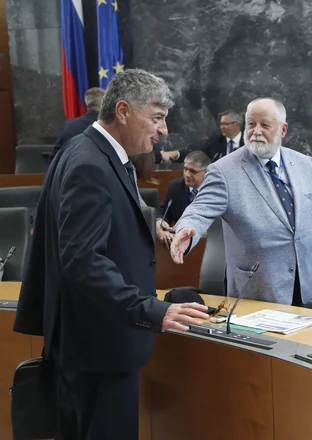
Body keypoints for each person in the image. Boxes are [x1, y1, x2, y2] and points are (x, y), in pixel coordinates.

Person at [13, 69, 209, 440]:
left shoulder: (84, 148)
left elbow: (84, 222)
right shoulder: (91, 164)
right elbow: (83, 260)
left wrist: (144, 222)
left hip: (84, 342)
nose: (164, 130)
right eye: (157, 117)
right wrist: (153, 310)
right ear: (123, 111)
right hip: (98, 347)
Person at [170, 97, 312, 305]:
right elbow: (199, 209)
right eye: (251, 124)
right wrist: (186, 229)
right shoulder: (224, 170)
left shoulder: (305, 164)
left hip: (300, 286)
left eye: (265, 125)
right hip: (254, 291)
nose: (256, 131)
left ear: (283, 130)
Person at [156, 150, 210, 249]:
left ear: (206, 173)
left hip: (208, 245)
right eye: (185, 169)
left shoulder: (214, 191)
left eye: (193, 171)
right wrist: (159, 221)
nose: (187, 175)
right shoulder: (175, 187)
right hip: (180, 246)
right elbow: (163, 212)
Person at [161, 109, 245, 164]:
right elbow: (196, 153)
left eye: (225, 124)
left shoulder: (247, 143)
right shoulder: (215, 142)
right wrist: (175, 154)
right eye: (221, 124)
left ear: (237, 125)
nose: (221, 127)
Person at [48, 87, 105, 164]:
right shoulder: (107, 126)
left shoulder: (69, 125)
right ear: (104, 104)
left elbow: (53, 159)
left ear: (87, 103)